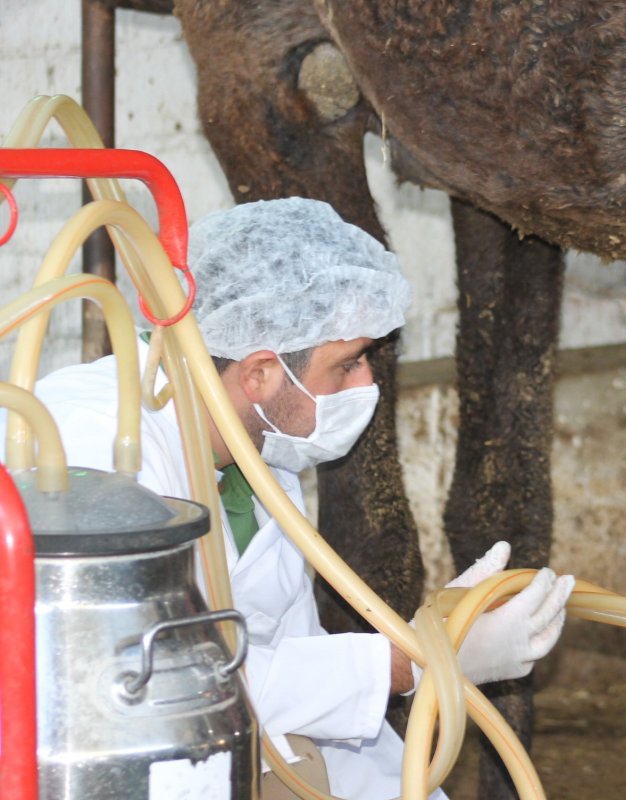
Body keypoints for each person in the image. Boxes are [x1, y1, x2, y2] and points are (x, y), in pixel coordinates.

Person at [16, 197, 574, 799]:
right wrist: (413, 663)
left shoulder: (259, 450)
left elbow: (297, 678)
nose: (368, 384)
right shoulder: (95, 446)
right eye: (350, 362)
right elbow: (149, 680)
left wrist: (436, 641)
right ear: (260, 373)